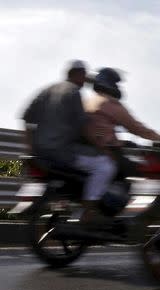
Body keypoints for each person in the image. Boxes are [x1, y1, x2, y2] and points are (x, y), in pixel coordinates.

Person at [22, 60, 117, 223]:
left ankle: (66, 205)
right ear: (78, 74)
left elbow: (27, 119)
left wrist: (30, 147)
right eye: (84, 75)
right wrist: (99, 145)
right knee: (105, 166)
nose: (86, 79)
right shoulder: (73, 92)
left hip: (40, 153)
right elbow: (84, 127)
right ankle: (88, 212)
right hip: (62, 152)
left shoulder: (47, 90)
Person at [83, 67, 160, 176]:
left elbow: (101, 130)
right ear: (109, 83)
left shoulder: (89, 101)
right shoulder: (109, 103)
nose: (117, 87)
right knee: (144, 172)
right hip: (107, 152)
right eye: (116, 84)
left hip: (91, 149)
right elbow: (136, 128)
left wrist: (124, 142)